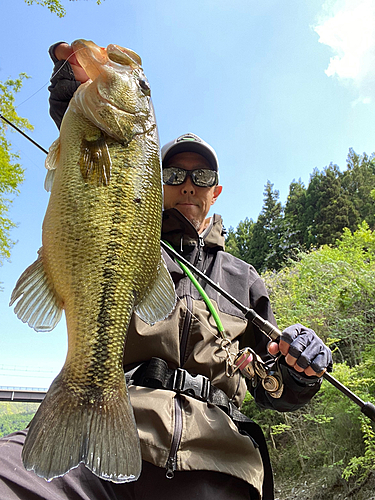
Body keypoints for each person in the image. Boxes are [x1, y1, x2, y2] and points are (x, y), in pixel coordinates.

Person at [0, 43, 332, 500]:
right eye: (174, 176)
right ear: (153, 182)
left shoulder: (244, 278)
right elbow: (96, 178)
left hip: (217, 455)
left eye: (201, 178)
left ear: (216, 192)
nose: (188, 186)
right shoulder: (133, 238)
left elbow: (272, 388)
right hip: (116, 418)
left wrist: (298, 372)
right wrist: (75, 106)